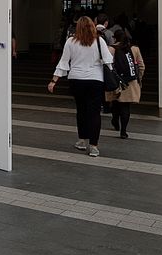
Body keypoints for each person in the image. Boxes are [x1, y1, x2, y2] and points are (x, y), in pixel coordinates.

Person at [48, 16, 113, 157]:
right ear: (92, 26)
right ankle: (94, 146)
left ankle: (82, 141)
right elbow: (108, 60)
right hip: (96, 80)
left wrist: (54, 80)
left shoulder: (70, 42)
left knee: (81, 110)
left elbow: (63, 63)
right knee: (95, 113)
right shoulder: (99, 41)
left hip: (76, 80)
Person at [106, 29, 145, 139]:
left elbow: (107, 65)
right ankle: (123, 131)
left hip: (116, 81)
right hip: (130, 82)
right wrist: (139, 79)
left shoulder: (111, 49)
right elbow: (141, 66)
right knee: (125, 106)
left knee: (115, 102)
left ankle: (115, 120)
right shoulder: (135, 49)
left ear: (115, 38)